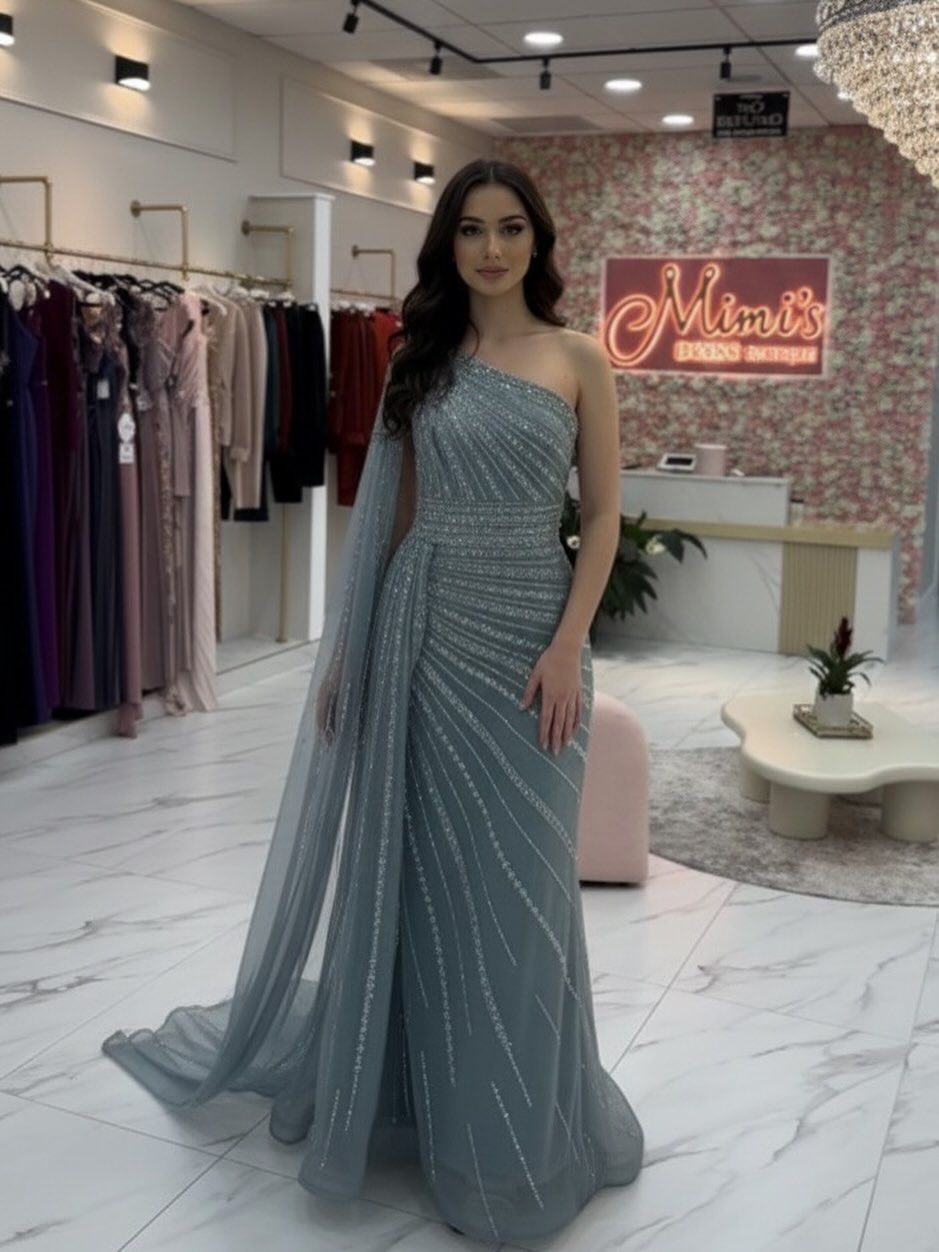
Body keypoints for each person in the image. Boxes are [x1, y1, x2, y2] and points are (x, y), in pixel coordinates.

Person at [101, 157, 645, 1243]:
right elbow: (392, 522)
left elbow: (608, 517)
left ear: (538, 242)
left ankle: (524, 1128)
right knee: (431, 884)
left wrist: (569, 642)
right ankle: (427, 1112)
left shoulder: (580, 358)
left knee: (528, 897)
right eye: (472, 230)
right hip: (426, 636)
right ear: (449, 244)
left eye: (511, 230)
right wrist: (352, 655)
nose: (492, 249)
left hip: (536, 645)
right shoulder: (418, 357)